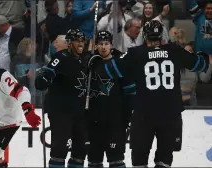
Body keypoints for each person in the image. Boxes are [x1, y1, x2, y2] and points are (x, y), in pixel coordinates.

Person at [88, 20, 209, 167]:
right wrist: (202, 54)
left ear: (145, 35)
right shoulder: (175, 50)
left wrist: (94, 60)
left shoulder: (135, 53)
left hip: (144, 113)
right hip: (171, 113)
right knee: (164, 159)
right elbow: (201, 64)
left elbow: (107, 72)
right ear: (162, 34)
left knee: (139, 159)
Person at [35, 29, 89, 168]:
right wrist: (44, 78)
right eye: (77, 40)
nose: (80, 43)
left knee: (80, 150)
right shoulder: (61, 57)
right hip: (61, 111)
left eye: (82, 40)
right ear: (70, 43)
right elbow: (49, 71)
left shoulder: (85, 59)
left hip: (79, 111)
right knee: (60, 149)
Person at [87, 31, 135, 168]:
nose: (103, 47)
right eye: (100, 44)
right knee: (94, 162)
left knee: (116, 161)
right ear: (95, 45)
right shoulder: (90, 63)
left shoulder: (119, 64)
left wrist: (127, 117)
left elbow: (130, 92)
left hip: (116, 122)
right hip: (94, 122)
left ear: (111, 45)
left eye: (106, 44)